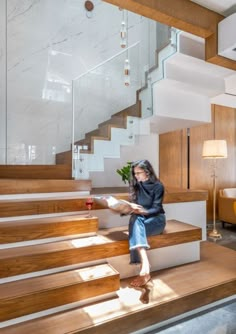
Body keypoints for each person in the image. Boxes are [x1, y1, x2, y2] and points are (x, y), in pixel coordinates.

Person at [127, 159, 166, 287]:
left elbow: (157, 208)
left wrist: (144, 211)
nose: (136, 176)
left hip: (157, 220)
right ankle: (145, 266)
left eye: (139, 173)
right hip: (142, 219)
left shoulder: (158, 186)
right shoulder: (137, 186)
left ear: (147, 172)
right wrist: (124, 208)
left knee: (135, 224)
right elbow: (135, 207)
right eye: (135, 173)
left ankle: (144, 266)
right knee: (134, 219)